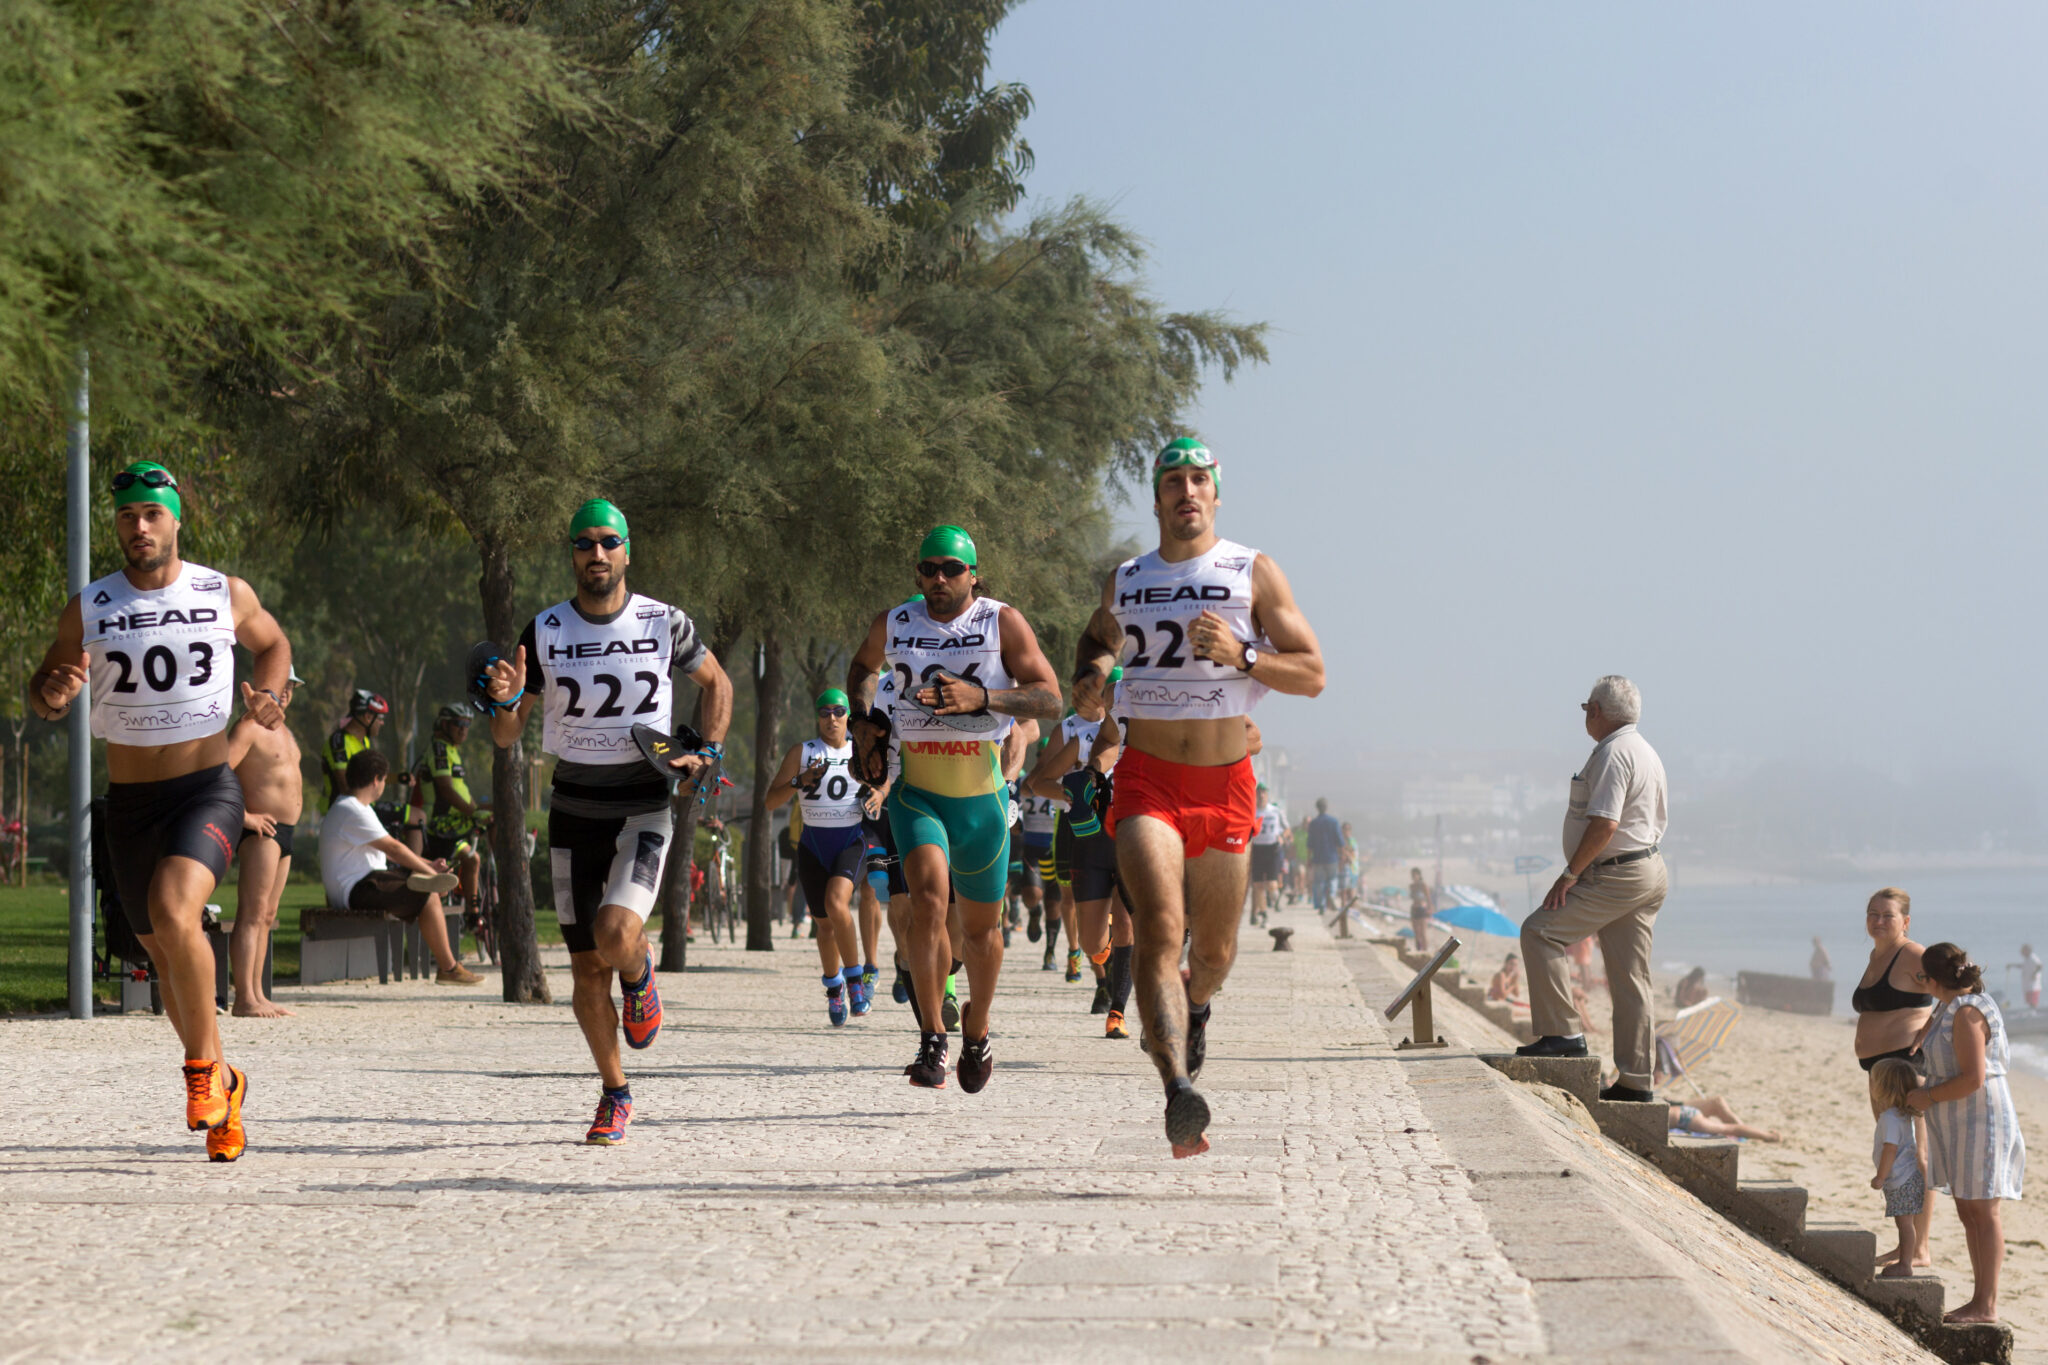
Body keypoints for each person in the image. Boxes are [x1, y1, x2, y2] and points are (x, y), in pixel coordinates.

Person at [29, 461, 293, 1162]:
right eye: (126, 516)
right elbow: (46, 691)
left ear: (176, 519)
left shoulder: (220, 591)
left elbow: (273, 644)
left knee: (180, 914)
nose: (139, 526)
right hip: (130, 804)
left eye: (151, 514)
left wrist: (271, 695)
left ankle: (201, 1073)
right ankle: (226, 1081)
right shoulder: (89, 605)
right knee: (165, 958)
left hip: (205, 787)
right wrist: (52, 692)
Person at [1072, 437, 1325, 1158]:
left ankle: (1199, 1003)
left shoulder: (1251, 570)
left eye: (1199, 480)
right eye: (1173, 481)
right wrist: (1091, 678)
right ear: (1156, 499)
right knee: (1157, 926)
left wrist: (1243, 655)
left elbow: (1311, 673)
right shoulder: (1126, 578)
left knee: (1212, 949)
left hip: (1225, 786)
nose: (1187, 491)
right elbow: (1095, 641)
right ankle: (1178, 1087)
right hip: (1148, 777)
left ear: (1216, 494)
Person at [481, 499, 733, 1144]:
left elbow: (718, 684)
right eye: (584, 544)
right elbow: (509, 736)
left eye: (608, 543)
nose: (596, 554)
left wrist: (706, 751)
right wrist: (504, 698)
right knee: (586, 968)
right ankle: (615, 1093)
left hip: (643, 801)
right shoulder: (543, 631)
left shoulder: (664, 622)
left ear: (627, 551)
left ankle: (640, 974)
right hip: (572, 808)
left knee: (618, 933)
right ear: (572, 554)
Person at [847, 526, 1061, 1091]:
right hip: (918, 790)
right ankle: (931, 1037)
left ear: (973, 574)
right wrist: (863, 718)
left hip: (982, 797)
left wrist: (985, 699)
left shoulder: (1000, 621)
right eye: (927, 569)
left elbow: (1049, 696)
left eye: (950, 568)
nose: (937, 579)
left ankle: (978, 1026)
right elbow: (862, 668)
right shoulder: (894, 622)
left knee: (982, 932)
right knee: (926, 901)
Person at [1517, 676, 1669, 1105]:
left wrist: (1569, 874)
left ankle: (1563, 1033)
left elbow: (1605, 824)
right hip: (1647, 868)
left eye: (1587, 707)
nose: (1586, 714)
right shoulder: (1644, 750)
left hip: (1618, 873)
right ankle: (1637, 1081)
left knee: (1540, 931)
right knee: (1631, 979)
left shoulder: (1615, 754)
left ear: (1596, 712)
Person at [1906, 943, 2027, 1325]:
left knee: (1983, 1211)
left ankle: (1986, 1305)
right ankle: (1979, 1300)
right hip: (1958, 1120)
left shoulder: (1967, 1012)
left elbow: (1974, 1078)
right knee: (1966, 1209)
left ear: (1927, 978)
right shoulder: (1948, 1006)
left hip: (1982, 1118)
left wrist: (1926, 1095)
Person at [763, 689, 883, 1025]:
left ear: (848, 716)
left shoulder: (861, 751)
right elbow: (771, 801)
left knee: (837, 902)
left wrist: (876, 792)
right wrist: (798, 781)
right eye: (824, 713)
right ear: (817, 717)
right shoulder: (803, 752)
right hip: (813, 844)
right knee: (824, 926)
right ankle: (834, 989)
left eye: (838, 711)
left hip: (850, 839)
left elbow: (885, 782)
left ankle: (856, 981)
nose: (831, 718)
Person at [1027, 677, 1135, 1039]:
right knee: (1092, 937)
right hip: (1086, 835)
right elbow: (1036, 782)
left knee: (1125, 920)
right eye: (1111, 692)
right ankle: (1087, 952)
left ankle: (1116, 1010)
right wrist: (1075, 793)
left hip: (1134, 832)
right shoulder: (1079, 735)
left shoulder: (1151, 731)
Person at [320, 750, 479, 984]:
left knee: (423, 883)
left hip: (368, 881)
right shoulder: (351, 810)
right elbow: (393, 849)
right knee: (427, 893)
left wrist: (429, 865)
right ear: (376, 779)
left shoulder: (354, 807)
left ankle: (432, 885)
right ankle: (449, 969)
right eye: (384, 779)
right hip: (355, 890)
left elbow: (390, 851)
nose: (383, 784)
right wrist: (429, 872)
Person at [1851, 887, 1935, 1268]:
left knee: (1915, 1156)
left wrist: (1930, 1025)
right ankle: (1906, 1245)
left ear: (1906, 921)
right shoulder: (1875, 956)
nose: (1879, 921)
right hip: (1877, 1071)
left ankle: (1919, 1249)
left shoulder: (1913, 955)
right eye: (1873, 913)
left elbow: (1957, 991)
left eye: (1887, 915)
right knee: (1893, 1156)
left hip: (1906, 1068)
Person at [227, 668, 306, 1017]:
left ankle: (258, 993)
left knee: (268, 915)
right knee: (252, 912)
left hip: (284, 831)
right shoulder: (248, 728)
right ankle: (243, 997)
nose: (286, 691)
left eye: (290, 686)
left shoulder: (285, 731)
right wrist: (245, 817)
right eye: (280, 684)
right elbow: (217, 773)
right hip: (261, 830)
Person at [423, 704, 487, 908]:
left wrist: (476, 810)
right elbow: (446, 790)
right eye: (459, 724)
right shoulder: (439, 748)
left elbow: (461, 789)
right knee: (469, 860)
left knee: (474, 858)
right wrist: (474, 812)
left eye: (467, 725)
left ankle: (474, 909)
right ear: (444, 725)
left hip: (456, 821)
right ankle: (473, 910)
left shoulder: (453, 750)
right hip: (440, 824)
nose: (464, 729)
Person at [1869, 1057, 1926, 1280]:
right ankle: (1905, 1260)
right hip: (1907, 1177)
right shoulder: (1902, 1115)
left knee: (1904, 1225)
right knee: (1905, 1223)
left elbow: (1890, 1149)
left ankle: (1905, 1264)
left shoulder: (1891, 1118)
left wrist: (1880, 1177)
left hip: (1902, 1179)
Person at [324, 688, 388, 809]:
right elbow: (345, 787)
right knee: (416, 815)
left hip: (360, 806)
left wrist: (398, 778)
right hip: (342, 809)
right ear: (368, 717)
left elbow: (368, 779)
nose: (382, 723)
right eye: (380, 718)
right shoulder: (339, 741)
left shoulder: (365, 741)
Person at [1247, 784, 1286, 928]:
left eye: (1263, 793)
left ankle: (1275, 895)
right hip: (1256, 849)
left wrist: (1282, 837)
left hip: (1272, 850)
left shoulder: (1275, 811)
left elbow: (1287, 829)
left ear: (1267, 795)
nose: (1261, 796)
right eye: (1258, 793)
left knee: (1270, 884)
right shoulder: (1251, 811)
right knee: (1257, 886)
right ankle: (1263, 914)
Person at [1668, 1095, 1781, 1142]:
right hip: (1684, 1115)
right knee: (1729, 1128)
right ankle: (1762, 1135)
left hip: (1686, 1118)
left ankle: (1766, 1136)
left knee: (1729, 1129)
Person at [1306, 798, 1342, 912]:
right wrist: (1342, 856)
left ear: (1317, 808)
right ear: (1327, 807)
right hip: (1331, 856)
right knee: (1332, 879)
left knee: (1318, 882)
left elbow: (1310, 843)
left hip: (1318, 857)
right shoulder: (1334, 822)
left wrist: (1308, 859)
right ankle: (1331, 895)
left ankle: (1320, 904)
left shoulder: (1313, 823)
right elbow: (1339, 842)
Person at [2011, 944, 2042, 1010]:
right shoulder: (2027, 959)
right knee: (2029, 1000)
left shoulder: (2033, 958)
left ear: (2027, 951)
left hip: (2033, 984)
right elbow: (2023, 966)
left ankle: (2034, 1011)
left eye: (2023, 951)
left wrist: (2034, 974)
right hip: (2027, 984)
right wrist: (2012, 965)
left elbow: (2039, 966)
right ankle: (2032, 1011)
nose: (2022, 953)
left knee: (2033, 999)